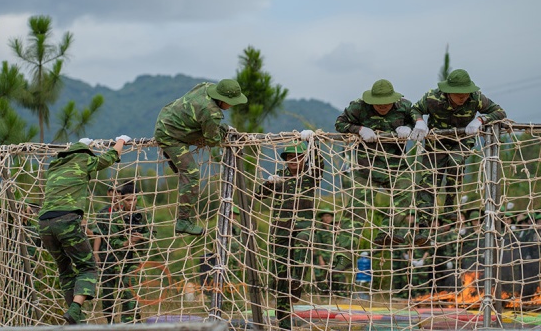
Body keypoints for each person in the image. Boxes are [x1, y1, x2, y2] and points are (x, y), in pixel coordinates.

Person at [38, 136, 128, 325]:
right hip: (67, 220)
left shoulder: (54, 165)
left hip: (44, 223)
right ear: (86, 152)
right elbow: (110, 156)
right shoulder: (84, 159)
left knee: (64, 269)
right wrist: (120, 141)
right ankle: (76, 308)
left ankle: (75, 317)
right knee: (87, 267)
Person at [409, 69, 506, 239]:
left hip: (461, 141)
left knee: (455, 162)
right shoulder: (433, 98)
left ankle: (450, 206)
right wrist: (419, 122)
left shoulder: (476, 98)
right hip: (436, 143)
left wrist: (480, 120)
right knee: (428, 181)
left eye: (465, 93)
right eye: (458, 94)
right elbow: (415, 109)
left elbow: (499, 111)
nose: (463, 97)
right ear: (448, 92)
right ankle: (423, 226)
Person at [154, 79, 247, 236]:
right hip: (170, 136)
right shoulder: (211, 112)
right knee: (191, 176)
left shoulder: (206, 86)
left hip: (166, 118)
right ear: (222, 100)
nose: (231, 106)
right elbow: (213, 141)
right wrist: (222, 131)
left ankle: (173, 154)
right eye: (230, 103)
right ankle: (183, 221)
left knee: (209, 132)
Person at [335, 79, 415, 246]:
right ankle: (344, 255)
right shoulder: (359, 107)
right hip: (367, 166)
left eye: (386, 103)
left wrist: (408, 127)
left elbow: (419, 121)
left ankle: (387, 232)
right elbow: (340, 123)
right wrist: (359, 129)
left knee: (407, 191)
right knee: (357, 210)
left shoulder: (405, 107)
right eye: (378, 103)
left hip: (395, 165)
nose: (382, 107)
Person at [255, 137, 323, 330]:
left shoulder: (311, 175)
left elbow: (319, 162)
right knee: (280, 277)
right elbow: (258, 196)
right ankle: (284, 323)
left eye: (297, 157)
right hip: (280, 230)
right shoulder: (279, 176)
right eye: (289, 157)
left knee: (303, 242)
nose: (293, 160)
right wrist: (269, 183)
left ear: (304, 158)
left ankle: (298, 281)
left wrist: (312, 143)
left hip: (303, 225)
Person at [93, 182, 152, 323]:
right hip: (111, 258)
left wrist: (141, 238)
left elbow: (151, 235)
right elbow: (109, 239)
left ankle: (130, 323)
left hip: (133, 260)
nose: (131, 203)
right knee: (107, 296)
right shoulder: (112, 215)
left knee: (129, 294)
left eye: (134, 199)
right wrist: (126, 242)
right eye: (128, 200)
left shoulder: (143, 215)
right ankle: (111, 323)